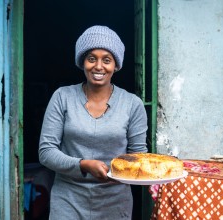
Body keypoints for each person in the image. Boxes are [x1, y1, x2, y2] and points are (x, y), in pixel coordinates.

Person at [38, 25, 148, 220]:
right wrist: (83, 165)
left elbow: (138, 156)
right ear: (82, 62)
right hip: (68, 199)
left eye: (106, 60)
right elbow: (46, 152)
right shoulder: (62, 97)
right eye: (91, 58)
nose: (98, 66)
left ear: (116, 65)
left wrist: (153, 175)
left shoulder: (132, 104)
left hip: (115, 201)